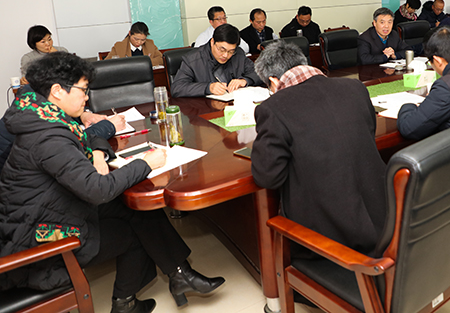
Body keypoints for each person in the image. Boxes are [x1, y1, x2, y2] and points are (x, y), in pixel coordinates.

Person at [0, 52, 224, 313]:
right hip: (42, 240)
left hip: (50, 212)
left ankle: (180, 274)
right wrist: (146, 164)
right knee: (133, 233)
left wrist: (96, 151)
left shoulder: (44, 117)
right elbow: (98, 189)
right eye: (83, 90)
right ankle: (126, 304)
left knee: (135, 208)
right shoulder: (47, 136)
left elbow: (85, 137)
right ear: (58, 91)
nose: (87, 98)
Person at [251, 41, 386, 258]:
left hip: (330, 239)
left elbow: (267, 177)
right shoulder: (355, 87)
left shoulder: (273, 108)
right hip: (382, 218)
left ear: (273, 81)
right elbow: (367, 133)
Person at [171, 23, 262, 97]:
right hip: (205, 108)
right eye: (222, 50)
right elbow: (177, 88)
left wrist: (245, 80)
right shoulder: (193, 60)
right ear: (212, 42)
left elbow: (260, 73)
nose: (225, 55)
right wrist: (208, 88)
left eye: (230, 51)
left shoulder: (238, 54)